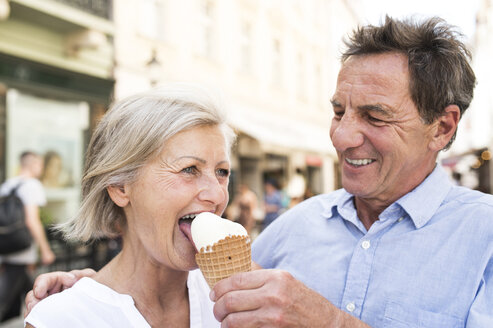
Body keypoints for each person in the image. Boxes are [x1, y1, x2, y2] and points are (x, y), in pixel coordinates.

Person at [25, 16, 493, 327]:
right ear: (120, 186)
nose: (342, 136)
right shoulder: (291, 230)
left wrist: (328, 322)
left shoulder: (483, 236)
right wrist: (95, 295)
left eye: (374, 115)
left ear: (443, 127)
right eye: (337, 111)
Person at [23, 85, 238, 327]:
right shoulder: (62, 320)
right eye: (189, 169)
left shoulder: (248, 298)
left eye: (222, 171)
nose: (218, 194)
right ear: (120, 186)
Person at [0, 151, 55, 322]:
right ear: (33, 165)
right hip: (22, 250)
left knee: (32, 290)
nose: (41, 169)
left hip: (6, 245)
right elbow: (32, 221)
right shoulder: (32, 185)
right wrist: (45, 250)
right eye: (40, 165)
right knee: (8, 294)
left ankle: (41, 320)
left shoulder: (7, 185)